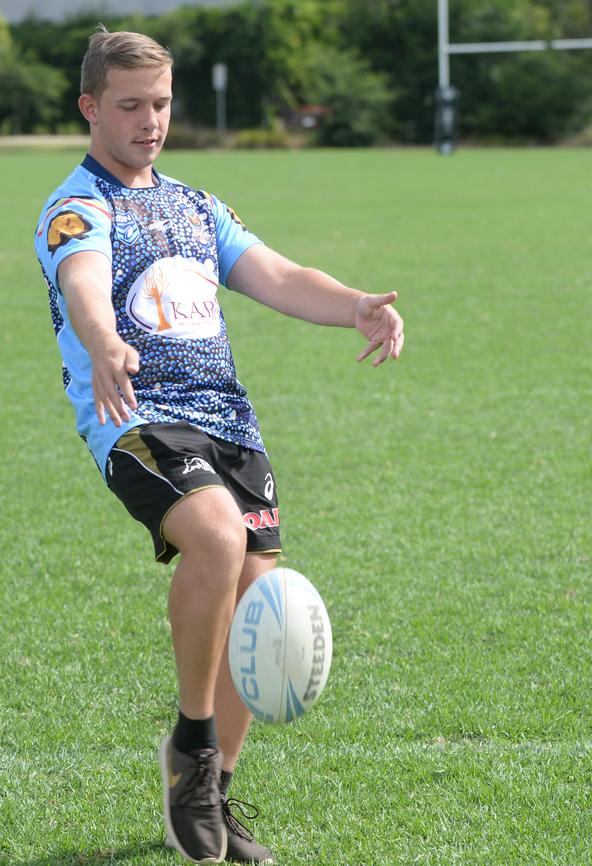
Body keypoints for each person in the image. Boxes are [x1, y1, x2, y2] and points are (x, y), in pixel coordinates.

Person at [34, 26, 404, 866]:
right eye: (129, 105)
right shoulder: (77, 207)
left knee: (256, 604)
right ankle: (191, 753)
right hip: (137, 416)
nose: (149, 120)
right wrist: (101, 341)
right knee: (214, 534)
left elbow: (275, 274)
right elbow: (84, 283)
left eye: (160, 103)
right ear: (91, 107)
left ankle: (215, 793)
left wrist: (355, 305)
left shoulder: (200, 206)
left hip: (230, 423)